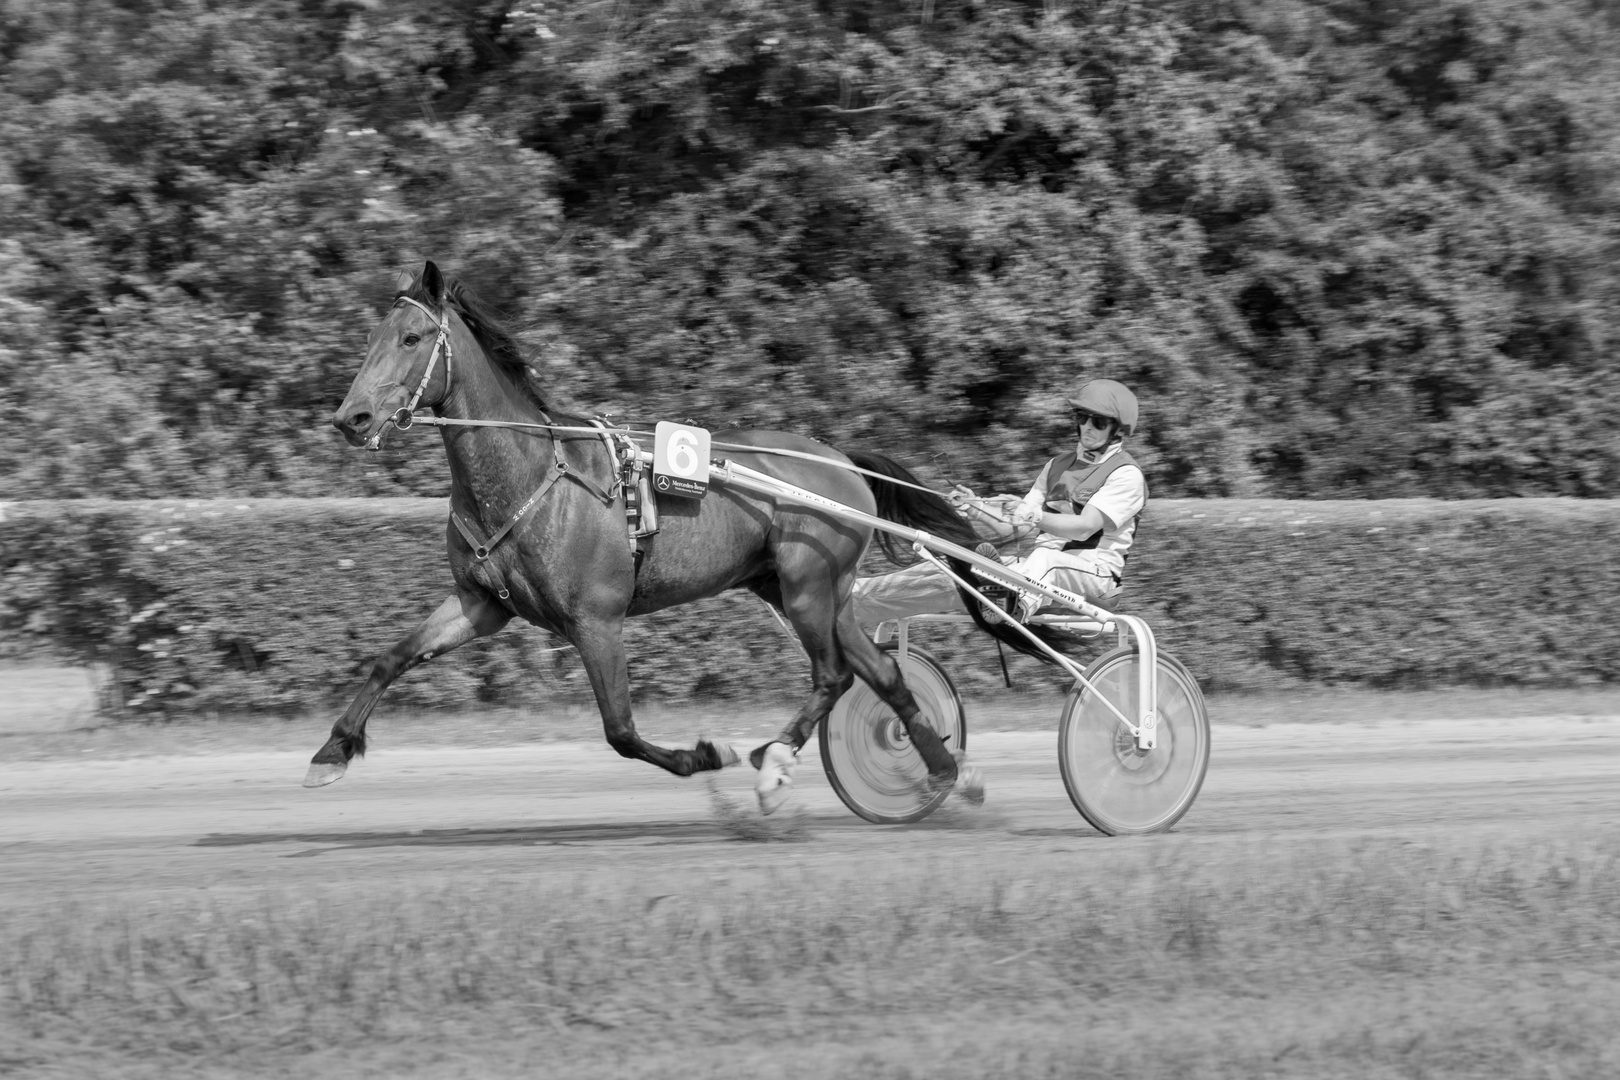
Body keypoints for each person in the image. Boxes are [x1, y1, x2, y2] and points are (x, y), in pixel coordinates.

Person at [850, 379, 1148, 624]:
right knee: (954, 565)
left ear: (1118, 429)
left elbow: (1084, 528)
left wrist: (1031, 515)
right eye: (1081, 418)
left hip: (1095, 578)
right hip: (1037, 573)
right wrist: (976, 509)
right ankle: (854, 599)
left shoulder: (1125, 474)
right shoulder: (1056, 466)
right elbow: (1013, 531)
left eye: (1097, 421)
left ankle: (1010, 607)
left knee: (1046, 560)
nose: (1086, 427)